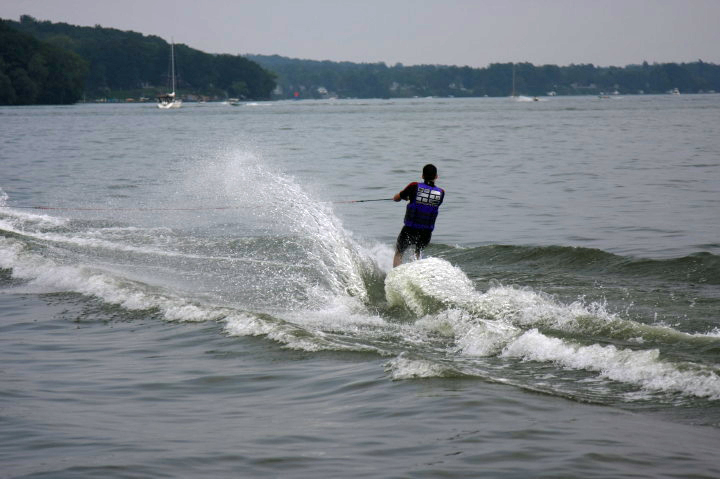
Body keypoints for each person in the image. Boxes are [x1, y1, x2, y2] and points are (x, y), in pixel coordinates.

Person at [393, 164, 445, 267]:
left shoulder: (413, 186)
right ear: (436, 177)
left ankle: (395, 275)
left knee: (399, 252)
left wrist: (405, 197)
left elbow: (397, 198)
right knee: (418, 253)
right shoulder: (441, 193)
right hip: (426, 232)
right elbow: (429, 203)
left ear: (422, 175)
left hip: (410, 228)